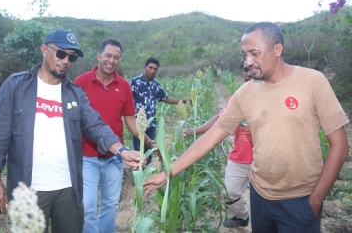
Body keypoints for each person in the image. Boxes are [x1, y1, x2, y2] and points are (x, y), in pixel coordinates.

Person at [143, 22, 350, 233]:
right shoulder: (244, 93)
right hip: (260, 197)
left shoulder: (313, 82)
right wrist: (168, 172)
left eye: (254, 53)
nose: (248, 62)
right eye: (244, 54)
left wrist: (315, 201)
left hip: (301, 201)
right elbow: (210, 137)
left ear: (277, 49)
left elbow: (340, 146)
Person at [0, 29, 143, 233]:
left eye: (71, 56)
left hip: (68, 189)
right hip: (29, 189)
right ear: (43, 49)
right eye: (60, 53)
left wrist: (121, 150)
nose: (66, 60)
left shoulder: (74, 93)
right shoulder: (16, 86)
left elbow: (96, 125)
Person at [74, 38, 157, 233]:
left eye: (116, 57)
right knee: (87, 206)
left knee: (111, 205)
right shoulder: (81, 82)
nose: (112, 60)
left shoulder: (124, 86)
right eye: (108, 55)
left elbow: (130, 121)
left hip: (115, 156)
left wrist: (150, 142)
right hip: (87, 156)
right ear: (99, 56)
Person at [182, 63, 253, 228]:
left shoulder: (272, 97)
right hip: (240, 157)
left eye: (253, 69)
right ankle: (241, 217)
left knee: (263, 204)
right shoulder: (237, 97)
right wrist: (196, 130)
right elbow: (219, 120)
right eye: (245, 70)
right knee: (229, 193)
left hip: (263, 160)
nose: (249, 73)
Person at [129, 57, 187, 164]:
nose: (152, 70)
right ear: (145, 67)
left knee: (150, 151)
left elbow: (166, 98)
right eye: (150, 67)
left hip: (151, 125)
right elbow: (126, 99)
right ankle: (139, 178)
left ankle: (147, 177)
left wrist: (182, 101)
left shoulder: (156, 85)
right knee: (138, 152)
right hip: (138, 124)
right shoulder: (135, 82)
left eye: (155, 69)